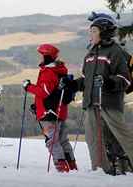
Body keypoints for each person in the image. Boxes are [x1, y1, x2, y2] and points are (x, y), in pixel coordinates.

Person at [63, 12, 133, 175]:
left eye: (94, 31)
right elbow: (86, 80)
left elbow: (125, 78)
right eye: (90, 31)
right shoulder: (90, 54)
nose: (91, 34)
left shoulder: (115, 51)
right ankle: (101, 170)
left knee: (123, 136)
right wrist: (72, 84)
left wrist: (108, 81)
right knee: (93, 139)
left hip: (108, 102)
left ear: (105, 32)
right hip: (90, 103)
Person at [22, 44, 77, 172]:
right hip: (59, 111)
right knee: (62, 140)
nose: (40, 58)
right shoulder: (59, 70)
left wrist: (28, 86)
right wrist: (37, 106)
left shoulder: (48, 72)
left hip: (49, 113)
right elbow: (53, 93)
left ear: (47, 56)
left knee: (51, 141)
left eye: (42, 55)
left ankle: (62, 169)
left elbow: (44, 92)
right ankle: (72, 167)